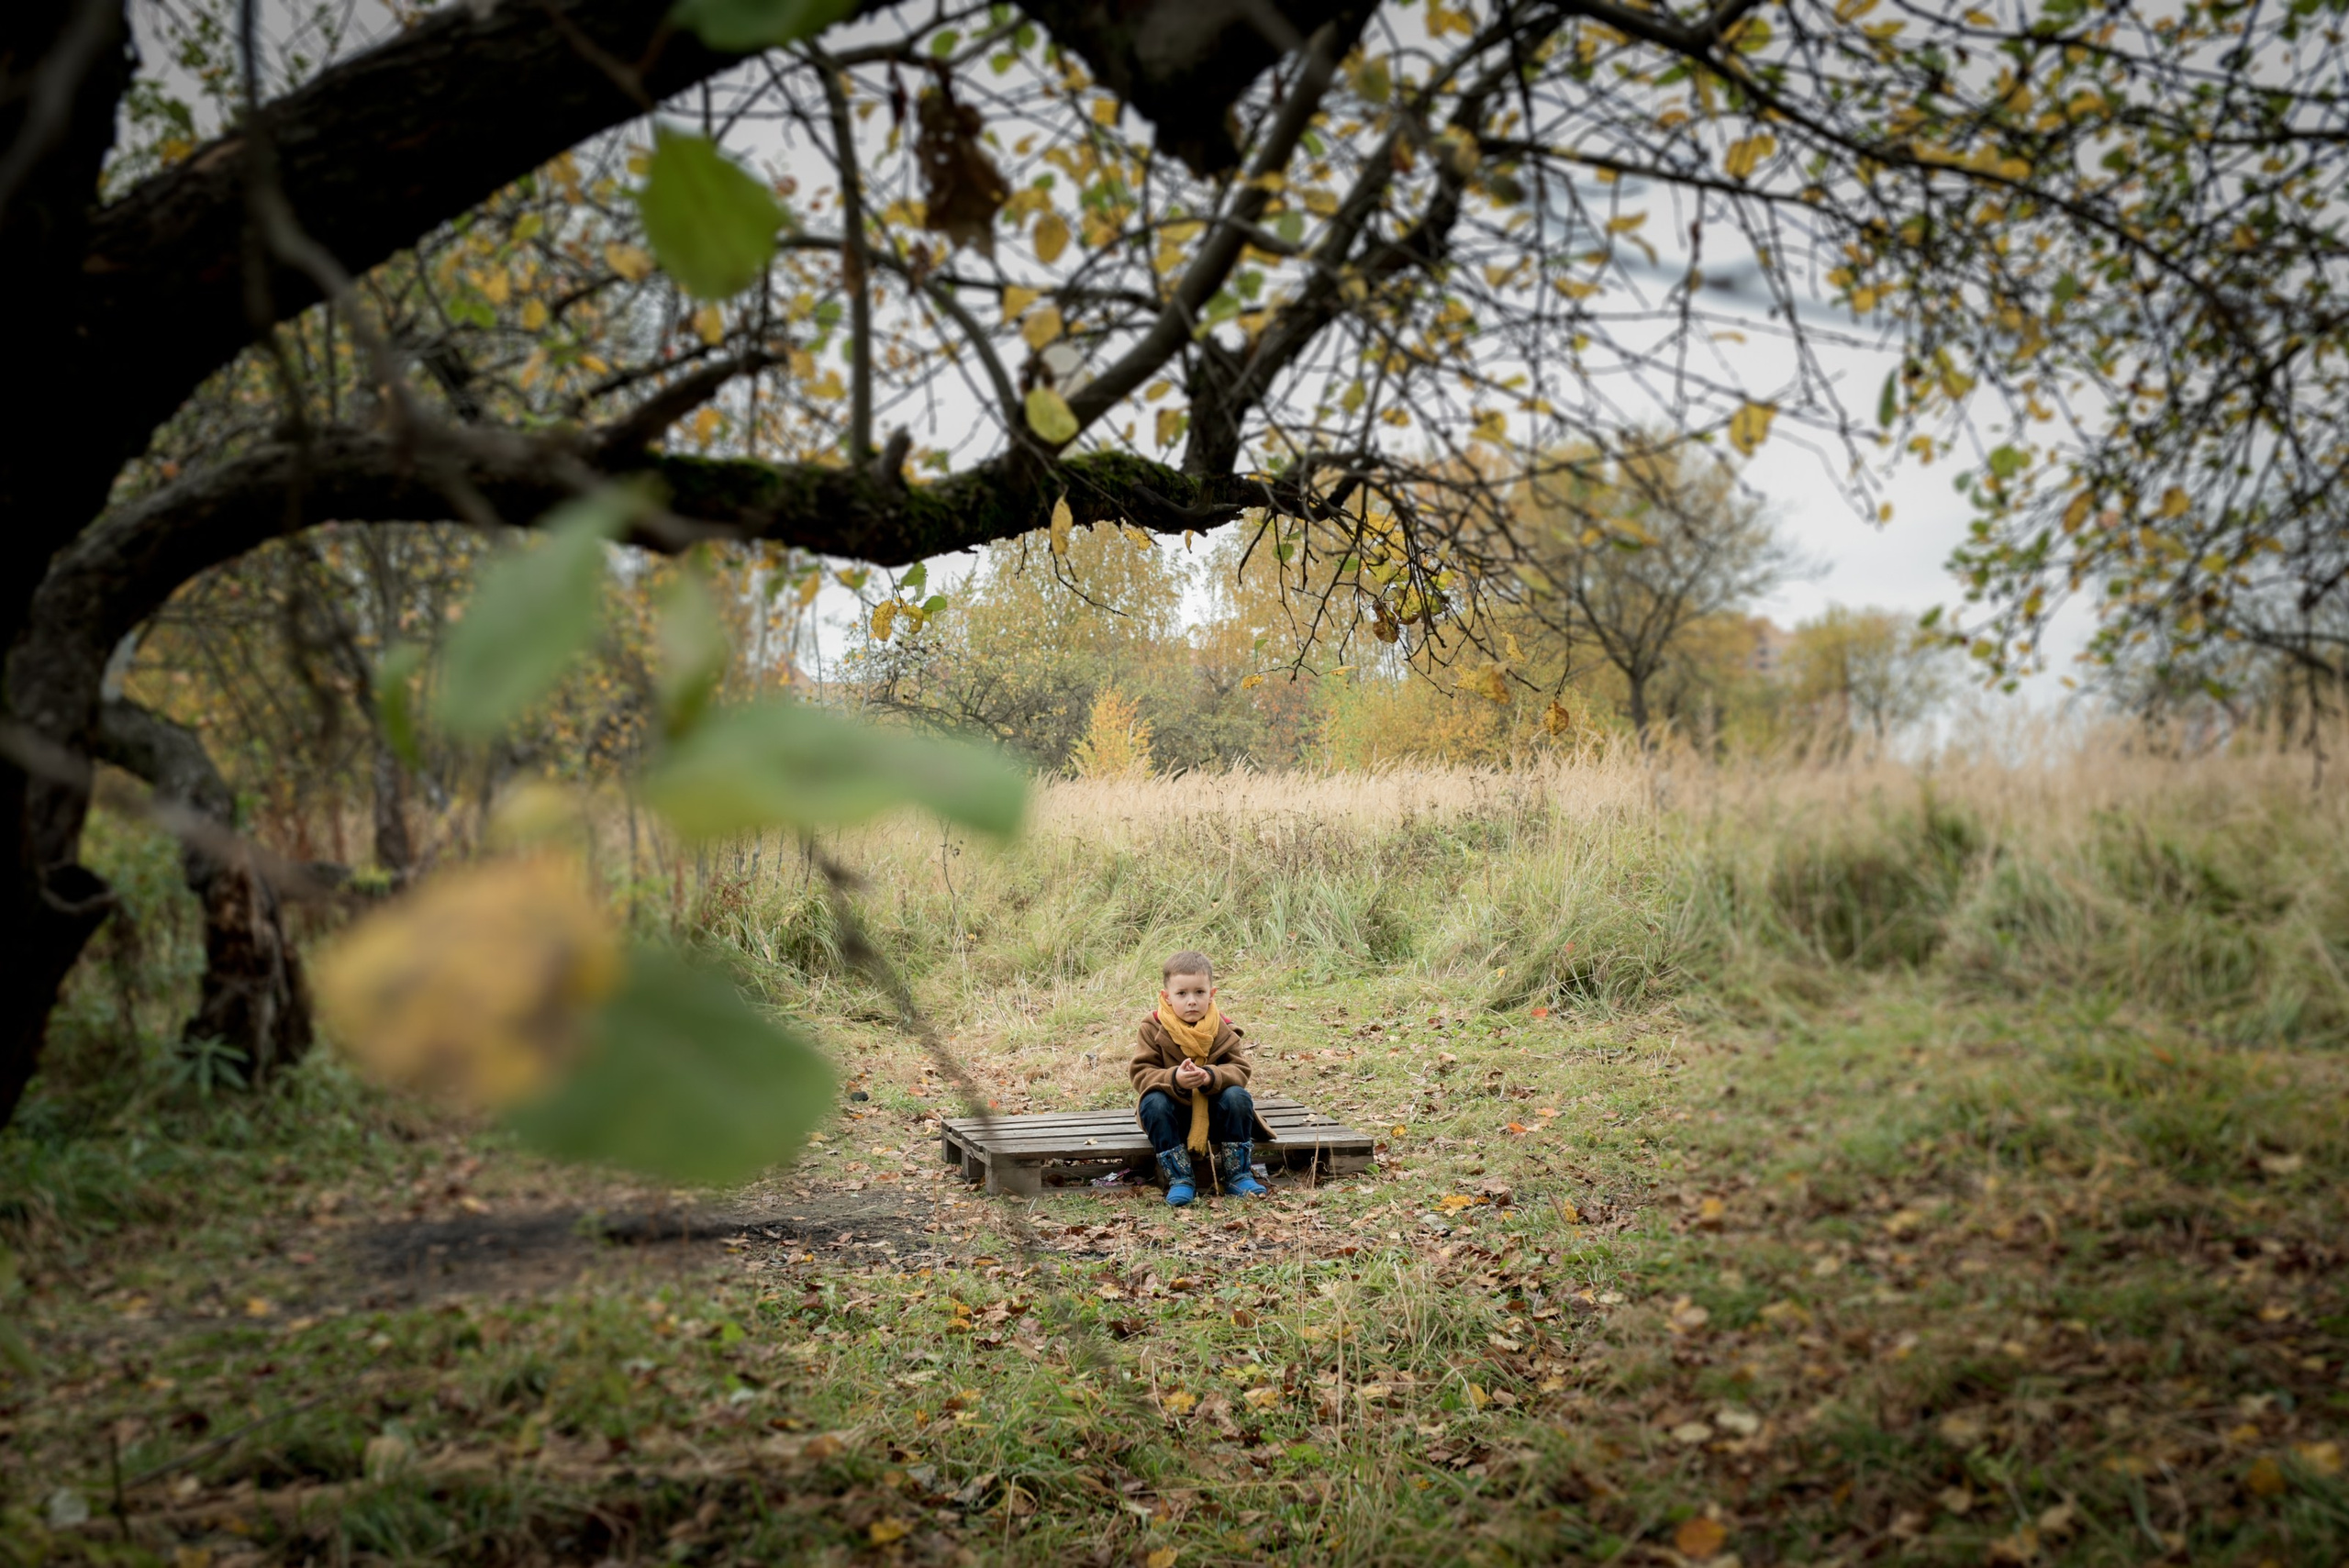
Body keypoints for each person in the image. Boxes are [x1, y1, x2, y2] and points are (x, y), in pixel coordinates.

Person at [1129, 951, 1275, 1205]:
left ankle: (1237, 1175)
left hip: (1216, 1116)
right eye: (1182, 994)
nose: (1192, 1001)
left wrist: (1210, 1076)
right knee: (1153, 1102)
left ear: (1212, 994)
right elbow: (1141, 1074)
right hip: (1173, 1118)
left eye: (1199, 992)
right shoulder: (1152, 1028)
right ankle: (1180, 1178)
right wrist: (1175, 1078)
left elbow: (1239, 1070)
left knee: (1238, 1096)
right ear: (1167, 997)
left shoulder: (1222, 1028)